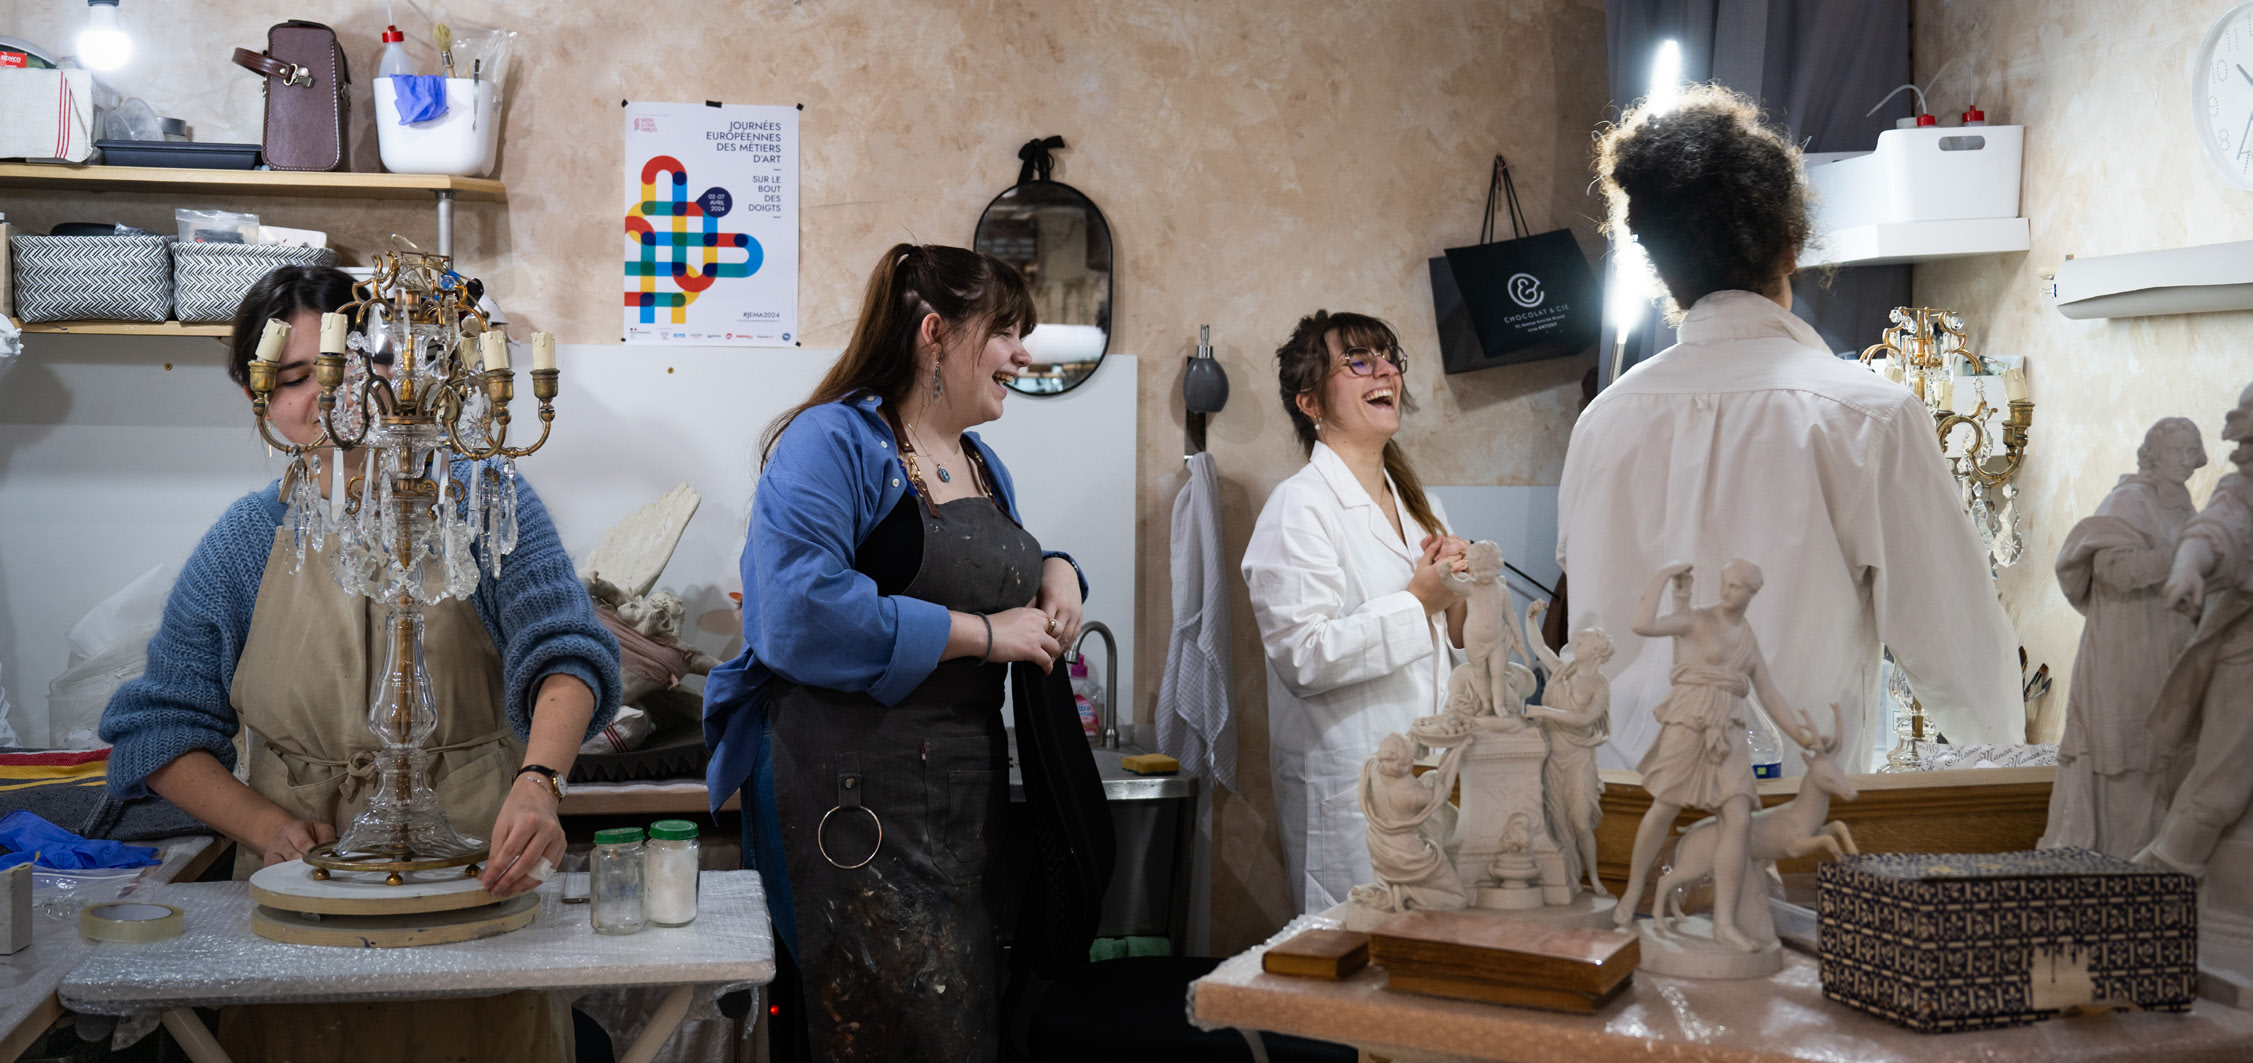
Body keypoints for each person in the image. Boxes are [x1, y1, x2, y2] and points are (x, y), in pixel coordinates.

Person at [99, 265, 622, 1060]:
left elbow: (568, 652)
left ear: (395, 372)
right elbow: (158, 729)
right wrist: (265, 826)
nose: (334, 395)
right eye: (299, 376)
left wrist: (539, 782)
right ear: (261, 397)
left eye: (353, 366)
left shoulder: (481, 497)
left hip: (476, 880)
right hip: (305, 901)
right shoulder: (245, 541)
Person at [1561, 86, 2021, 776]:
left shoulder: (1602, 423)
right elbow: (1963, 665)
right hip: (1791, 830)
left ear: (1657, 266)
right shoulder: (1866, 417)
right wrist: (2019, 796)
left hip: (1619, 827)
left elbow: (1591, 623)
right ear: (1791, 240)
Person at [700, 244, 1087, 1061]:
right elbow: (797, 613)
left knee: (958, 1028)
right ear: (935, 334)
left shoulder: (981, 462)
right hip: (853, 802)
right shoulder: (831, 441)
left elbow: (995, 572)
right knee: (878, 1032)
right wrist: (984, 636)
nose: (1023, 353)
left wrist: (1057, 568)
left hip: (957, 801)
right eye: (1005, 331)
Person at [1242, 310, 1468, 914]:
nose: (1384, 371)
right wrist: (1420, 601)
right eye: (1359, 361)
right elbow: (1304, 657)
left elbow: (1449, 645)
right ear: (1310, 401)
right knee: (1355, 984)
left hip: (1431, 786)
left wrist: (1460, 600)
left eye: (1389, 357)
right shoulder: (1299, 508)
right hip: (1352, 800)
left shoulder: (1424, 507)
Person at [1614, 560, 1814, 950]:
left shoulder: (1747, 638)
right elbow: (1642, 624)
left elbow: (1769, 693)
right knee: (1664, 807)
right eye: (1726, 583)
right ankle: (1630, 895)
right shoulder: (1695, 620)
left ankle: (1724, 922)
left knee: (1737, 818)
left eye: (1738, 586)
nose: (1728, 591)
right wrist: (1663, 575)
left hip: (1729, 729)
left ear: (1752, 592)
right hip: (1689, 721)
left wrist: (1803, 736)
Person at [2043, 417, 2205, 858]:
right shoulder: (2128, 500)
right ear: (2154, 453)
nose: (2186, 460)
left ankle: (2150, 865)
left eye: (2193, 451)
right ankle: (2113, 861)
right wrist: (2178, 558)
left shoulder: (2184, 504)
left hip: (2167, 642)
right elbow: (2113, 570)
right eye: (2177, 450)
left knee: (2162, 756)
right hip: (2125, 645)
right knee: (2125, 755)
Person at [2141, 382, 2253, 881]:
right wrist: (2187, 566)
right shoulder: (2242, 492)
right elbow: (2216, 532)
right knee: (2221, 781)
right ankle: (2162, 878)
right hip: (2245, 649)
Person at [1525, 600, 1613, 898]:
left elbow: (1584, 719)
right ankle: (1560, 878)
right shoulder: (1564, 671)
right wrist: (1531, 620)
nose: (1579, 640)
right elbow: (1540, 648)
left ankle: (1595, 878)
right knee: (1554, 821)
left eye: (1585, 639)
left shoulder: (1599, 687)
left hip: (1578, 760)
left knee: (1579, 821)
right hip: (1552, 757)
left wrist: (1543, 712)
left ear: (1597, 651)